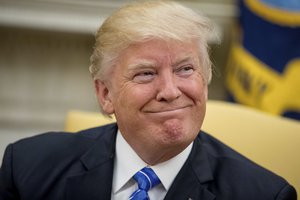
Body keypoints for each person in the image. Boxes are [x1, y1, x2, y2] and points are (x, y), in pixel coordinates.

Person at [0, 1, 297, 200]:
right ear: (105, 95)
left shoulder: (263, 194)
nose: (170, 90)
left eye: (185, 69)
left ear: (204, 81)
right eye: (145, 73)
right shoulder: (29, 169)